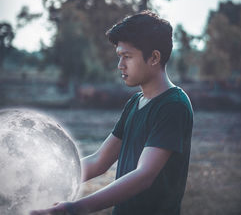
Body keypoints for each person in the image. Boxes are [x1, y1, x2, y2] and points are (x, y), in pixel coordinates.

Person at [30, 11, 193, 215]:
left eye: (127, 56)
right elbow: (99, 161)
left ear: (154, 57)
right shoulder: (135, 102)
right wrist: (51, 178)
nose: (120, 65)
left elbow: (144, 175)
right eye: (119, 56)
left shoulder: (173, 105)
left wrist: (75, 208)